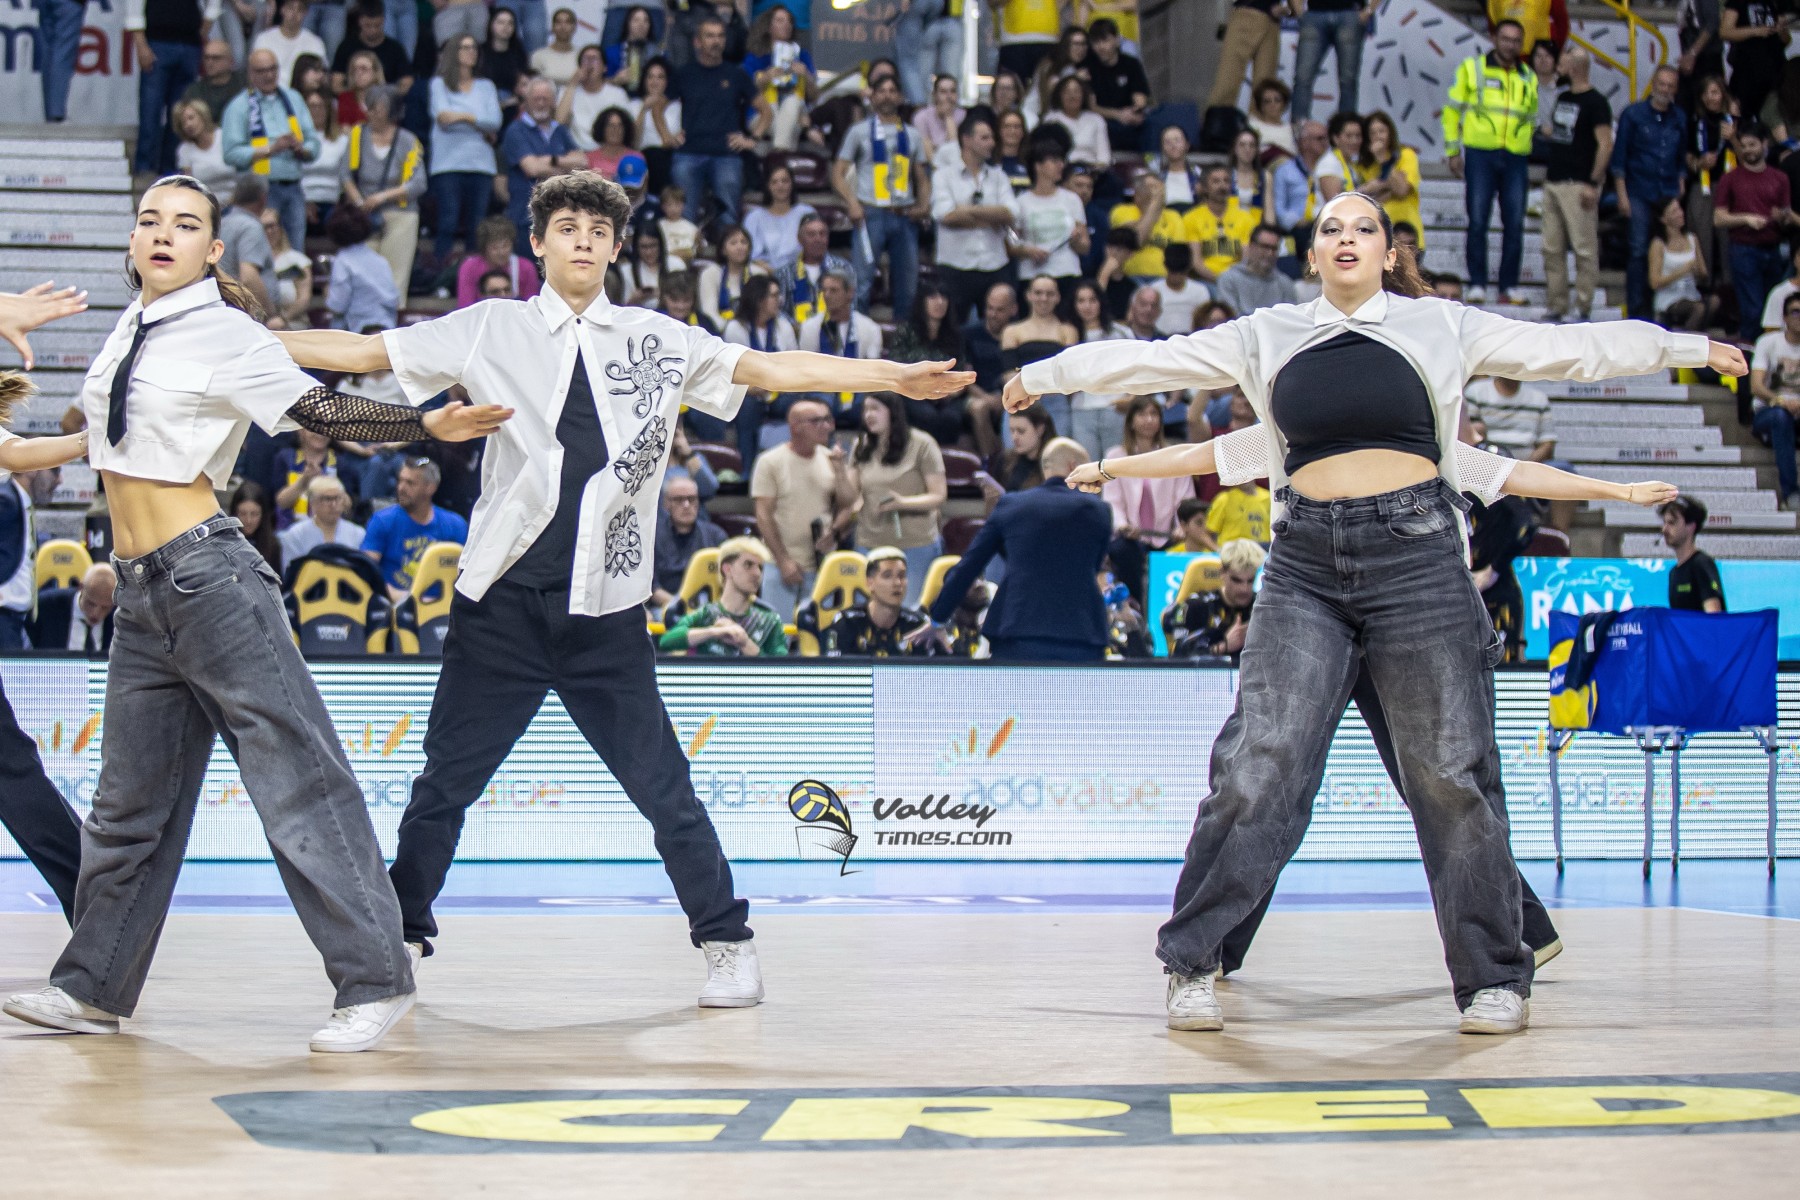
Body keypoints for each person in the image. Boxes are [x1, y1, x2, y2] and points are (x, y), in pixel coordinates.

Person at [1008, 189, 1739, 1035]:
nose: (1347, 237)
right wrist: (1043, 375)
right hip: (1304, 565)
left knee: (1449, 774)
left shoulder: (1442, 326)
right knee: (1258, 766)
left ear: (1390, 253)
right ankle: (1194, 962)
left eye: (1364, 228)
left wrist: (1687, 348)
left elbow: (1568, 350)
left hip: (1418, 562)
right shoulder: (1268, 333)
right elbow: (1152, 363)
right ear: (1313, 254)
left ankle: (1494, 978)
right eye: (1331, 229)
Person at [274, 172, 970, 988]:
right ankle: (403, 939)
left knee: (665, 790)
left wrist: (893, 376)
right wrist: (239, 339)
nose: (582, 240)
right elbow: (360, 353)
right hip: (498, 608)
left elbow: (773, 370)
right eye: (567, 226)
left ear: (614, 248)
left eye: (598, 231)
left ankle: (726, 941)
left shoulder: (659, 338)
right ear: (538, 243)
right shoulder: (489, 326)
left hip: (605, 611)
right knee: (443, 789)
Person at [0, 175, 515, 1052]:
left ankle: (376, 978)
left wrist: (426, 426)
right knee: (128, 807)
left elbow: (321, 409)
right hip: (141, 592)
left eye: (185, 224)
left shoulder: (226, 331)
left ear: (212, 250)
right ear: (132, 241)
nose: (163, 233)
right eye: (149, 220)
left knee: (300, 784)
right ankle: (91, 987)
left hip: (211, 580)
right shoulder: (128, 329)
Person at [928, 437, 1113, 660]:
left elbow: (970, 564)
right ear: (1073, 466)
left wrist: (938, 618)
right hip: (1081, 634)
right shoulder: (1100, 511)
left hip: (1017, 631)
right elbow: (1094, 566)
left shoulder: (1011, 505)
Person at [1444, 20, 1537, 305]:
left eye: (1516, 40)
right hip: (1480, 153)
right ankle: (1477, 283)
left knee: (1515, 223)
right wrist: (1452, 149)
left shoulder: (1527, 76)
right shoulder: (1473, 68)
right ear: (1494, 38)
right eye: (1505, 39)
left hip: (1516, 156)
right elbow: (1452, 110)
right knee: (1478, 220)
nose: (1510, 45)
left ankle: (1508, 286)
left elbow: (1531, 116)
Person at [835, 74, 929, 319]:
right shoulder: (859, 131)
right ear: (873, 96)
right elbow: (837, 173)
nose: (887, 96)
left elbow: (921, 176)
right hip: (870, 212)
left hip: (903, 214)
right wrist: (852, 203)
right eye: (882, 91)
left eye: (892, 91)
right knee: (861, 283)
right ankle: (856, 336)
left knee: (908, 286)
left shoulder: (912, 134)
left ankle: (903, 340)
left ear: (900, 97)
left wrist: (924, 205)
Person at [753, 398, 852, 618]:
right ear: (795, 426)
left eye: (828, 420)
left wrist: (835, 530)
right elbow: (763, 515)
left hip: (822, 567)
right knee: (779, 633)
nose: (826, 426)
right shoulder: (770, 461)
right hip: (780, 566)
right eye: (817, 421)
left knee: (820, 634)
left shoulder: (830, 459)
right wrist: (783, 561)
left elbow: (848, 504)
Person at [847, 393, 947, 607]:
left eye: (875, 409)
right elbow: (850, 495)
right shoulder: (861, 445)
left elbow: (938, 495)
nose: (868, 415)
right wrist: (839, 470)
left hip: (915, 544)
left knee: (911, 611)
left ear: (892, 412)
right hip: (869, 542)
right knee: (867, 611)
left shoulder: (922, 444)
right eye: (865, 410)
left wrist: (902, 503)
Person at [1537, 45, 1613, 322]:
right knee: (1551, 247)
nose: (1559, 65)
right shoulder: (1563, 96)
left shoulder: (1596, 102)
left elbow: (1605, 144)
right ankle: (1557, 304)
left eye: (1564, 61)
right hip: (1554, 180)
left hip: (1578, 183)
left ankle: (1582, 306)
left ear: (1575, 66)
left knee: (1583, 248)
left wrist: (1593, 182)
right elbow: (1561, 132)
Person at [671, 15, 768, 227]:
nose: (716, 41)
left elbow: (766, 111)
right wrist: (666, 136)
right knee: (683, 219)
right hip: (689, 152)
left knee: (728, 216)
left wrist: (753, 139)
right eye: (710, 36)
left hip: (726, 154)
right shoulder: (684, 74)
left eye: (720, 36)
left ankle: (728, 247)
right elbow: (658, 106)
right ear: (697, 41)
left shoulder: (736, 74)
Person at [221, 48, 320, 254]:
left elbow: (314, 143)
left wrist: (302, 149)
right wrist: (270, 149)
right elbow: (230, 154)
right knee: (261, 251)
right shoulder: (238, 106)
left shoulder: (294, 99)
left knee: (295, 251)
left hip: (293, 187)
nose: (268, 75)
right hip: (259, 190)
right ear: (250, 74)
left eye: (273, 69)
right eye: (262, 71)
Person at [1611, 65, 1689, 319]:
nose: (1665, 89)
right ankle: (1636, 310)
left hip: (1668, 190)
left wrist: (1681, 180)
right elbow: (1619, 158)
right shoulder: (1633, 114)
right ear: (1653, 83)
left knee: (1668, 248)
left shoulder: (1679, 117)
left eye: (1670, 85)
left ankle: (1664, 308)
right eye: (1661, 84)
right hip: (1638, 189)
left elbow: (1681, 156)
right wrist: (1622, 194)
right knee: (1638, 249)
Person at [933, 113, 1023, 325]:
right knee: (952, 329)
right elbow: (946, 215)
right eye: (985, 138)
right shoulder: (944, 176)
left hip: (995, 264)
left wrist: (968, 211)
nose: (992, 143)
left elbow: (1012, 213)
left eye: (991, 137)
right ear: (966, 140)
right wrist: (992, 217)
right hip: (955, 266)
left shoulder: (999, 176)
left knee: (1001, 328)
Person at [1102, 396, 1192, 602]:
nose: (1149, 419)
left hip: (1167, 536)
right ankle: (1132, 606)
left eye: (1153, 414)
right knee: (1123, 551)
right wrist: (1123, 526)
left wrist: (1181, 527)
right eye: (1142, 414)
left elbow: (1184, 498)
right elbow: (1112, 501)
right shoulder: (1115, 456)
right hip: (1131, 537)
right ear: (1131, 421)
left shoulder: (1173, 456)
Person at [340, 85, 426, 297]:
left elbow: (418, 183)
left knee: (396, 275)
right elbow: (344, 175)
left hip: (401, 214)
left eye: (377, 109)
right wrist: (360, 202)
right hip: (365, 215)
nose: (371, 113)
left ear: (392, 112)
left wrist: (383, 197)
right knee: (363, 274)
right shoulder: (357, 135)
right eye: (369, 108)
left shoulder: (408, 140)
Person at [1714, 122, 1797, 342]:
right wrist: (1746, 219)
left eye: (1752, 145)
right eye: (1743, 146)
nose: (1747, 150)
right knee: (1752, 309)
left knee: (1773, 309)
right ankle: (1750, 354)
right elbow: (1719, 218)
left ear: (1764, 144)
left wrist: (1782, 217)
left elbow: (1786, 214)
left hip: (1773, 248)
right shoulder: (1730, 178)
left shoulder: (1779, 178)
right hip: (1743, 249)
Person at [428, 33, 505, 263]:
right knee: (447, 223)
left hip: (481, 164)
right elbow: (443, 118)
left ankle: (474, 273)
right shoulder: (439, 84)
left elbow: (495, 122)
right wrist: (477, 122)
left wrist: (462, 117)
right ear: (454, 52)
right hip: (448, 163)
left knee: (477, 227)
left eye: (473, 47)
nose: (471, 52)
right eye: (465, 47)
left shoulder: (486, 86)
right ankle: (440, 273)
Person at [658, 535, 788, 656]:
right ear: (727, 569)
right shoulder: (705, 615)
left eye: (760, 567)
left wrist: (745, 643)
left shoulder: (769, 620)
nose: (757, 573)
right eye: (748, 565)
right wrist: (714, 632)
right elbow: (666, 641)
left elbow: (782, 668)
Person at [502, 77, 588, 256]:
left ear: (554, 102)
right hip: (527, 218)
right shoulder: (516, 130)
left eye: (545, 99)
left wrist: (552, 161)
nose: (541, 104)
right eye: (536, 99)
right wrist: (565, 166)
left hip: (560, 219)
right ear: (526, 102)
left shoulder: (560, 130)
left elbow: (582, 161)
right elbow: (532, 168)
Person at [362, 457, 470, 599]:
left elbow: (467, 573)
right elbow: (365, 572)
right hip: (393, 604)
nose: (401, 488)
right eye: (400, 480)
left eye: (410, 483)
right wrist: (399, 598)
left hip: (441, 606)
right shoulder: (382, 520)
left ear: (430, 488)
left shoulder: (455, 525)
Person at [129, 0, 210, 178]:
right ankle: (145, 168)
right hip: (157, 42)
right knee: (151, 109)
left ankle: (171, 167)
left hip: (190, 43)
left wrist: (207, 23)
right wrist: (140, 43)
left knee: (181, 112)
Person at [824, 546, 946, 656]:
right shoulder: (846, 622)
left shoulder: (919, 626)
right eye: (887, 576)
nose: (897, 583)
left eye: (902, 576)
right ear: (870, 583)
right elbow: (835, 669)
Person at [1065, 278, 1134, 457]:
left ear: (1101, 302)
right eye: (1081, 301)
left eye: (1092, 300)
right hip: (1082, 409)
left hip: (1114, 407)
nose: (1087, 306)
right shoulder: (1068, 334)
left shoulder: (1120, 332)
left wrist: (1130, 397)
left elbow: (1136, 367)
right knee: (1088, 465)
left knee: (1115, 464)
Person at [1003, 274, 1080, 433]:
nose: (1044, 298)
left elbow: (1069, 373)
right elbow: (1008, 373)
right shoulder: (1012, 331)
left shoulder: (1067, 331)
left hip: (1055, 399)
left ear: (1057, 297)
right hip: (1021, 397)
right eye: (1038, 293)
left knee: (1058, 446)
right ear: (1028, 295)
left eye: (1049, 294)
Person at [1014, 141, 1090, 302]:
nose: (1060, 165)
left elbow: (1084, 246)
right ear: (1038, 166)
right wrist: (1028, 251)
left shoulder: (1072, 200)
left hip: (1067, 273)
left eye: (1061, 161)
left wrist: (1076, 240)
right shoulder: (1021, 202)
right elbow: (1011, 242)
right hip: (1032, 275)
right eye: (1054, 161)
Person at [1164, 536, 1263, 658]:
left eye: (1250, 581)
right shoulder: (1194, 607)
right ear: (1222, 573)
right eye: (1237, 580)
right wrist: (1224, 646)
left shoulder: (1261, 608)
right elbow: (1177, 656)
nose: (1244, 589)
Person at [1749, 293, 1800, 510]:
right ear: (1785, 318)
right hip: (1768, 412)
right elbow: (1756, 386)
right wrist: (1780, 400)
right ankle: (1791, 494)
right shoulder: (1768, 342)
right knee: (1781, 417)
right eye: (1795, 312)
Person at [743, 5, 813, 152]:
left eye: (789, 21)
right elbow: (744, 92)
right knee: (787, 122)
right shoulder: (756, 56)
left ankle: (777, 154)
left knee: (793, 102)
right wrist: (765, 78)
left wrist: (806, 75)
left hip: (794, 110)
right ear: (769, 27)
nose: (786, 25)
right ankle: (781, 154)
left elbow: (814, 96)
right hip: (762, 113)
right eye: (780, 20)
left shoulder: (802, 55)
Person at [651, 472, 727, 609]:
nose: (686, 505)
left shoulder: (716, 536)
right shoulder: (652, 538)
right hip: (665, 608)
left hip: (709, 608)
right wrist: (682, 607)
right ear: (666, 503)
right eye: (678, 499)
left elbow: (728, 581)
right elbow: (652, 587)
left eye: (691, 499)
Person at [324, 204, 400, 332]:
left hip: (359, 332)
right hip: (386, 329)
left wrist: (327, 292)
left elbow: (337, 306)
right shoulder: (381, 261)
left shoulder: (343, 261)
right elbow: (395, 300)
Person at [1292, 0, 1370, 122]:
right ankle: (1299, 127)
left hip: (1348, 13)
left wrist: (1369, 11)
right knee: (1303, 78)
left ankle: (1346, 128)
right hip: (1314, 14)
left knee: (1348, 80)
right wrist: (1299, 11)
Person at [1651, 195, 1719, 330]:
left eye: (1679, 209)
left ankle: (1695, 332)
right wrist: (1682, 271)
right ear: (1663, 219)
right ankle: (1687, 336)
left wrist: (1698, 271)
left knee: (1714, 302)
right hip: (1670, 297)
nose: (1680, 214)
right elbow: (1655, 282)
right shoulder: (1659, 244)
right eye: (1674, 211)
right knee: (1698, 309)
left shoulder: (1692, 238)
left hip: (1691, 294)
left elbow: (1703, 274)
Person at [1359, 110, 1424, 251]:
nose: (1378, 137)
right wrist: (1389, 186)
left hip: (1407, 235)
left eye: (1382, 131)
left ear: (1390, 133)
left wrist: (1383, 159)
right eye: (1373, 133)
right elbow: (1367, 199)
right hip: (1376, 237)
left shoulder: (1406, 155)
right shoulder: (1365, 165)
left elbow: (1401, 190)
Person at [1184, 164, 1261, 283]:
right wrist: (1220, 280)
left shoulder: (1245, 218)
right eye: (1216, 181)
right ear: (1205, 188)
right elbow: (1196, 262)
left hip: (1237, 281)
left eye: (1226, 181)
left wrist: (1232, 282)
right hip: (1205, 281)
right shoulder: (1191, 218)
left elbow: (1246, 259)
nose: (1222, 186)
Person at [775, 214, 854, 325]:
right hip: (796, 332)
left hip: (835, 331)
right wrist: (797, 328)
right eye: (811, 234)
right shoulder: (783, 273)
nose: (818, 239)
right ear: (800, 239)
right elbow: (778, 311)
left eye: (822, 234)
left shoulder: (843, 268)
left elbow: (852, 306)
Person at [1721, 0, 1789, 123]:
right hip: (1748, 72)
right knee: (1743, 116)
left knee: (1775, 116)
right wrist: (1755, 31)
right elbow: (1725, 32)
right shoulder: (1738, 3)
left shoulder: (1774, 3)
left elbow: (1786, 40)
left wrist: (1782, 29)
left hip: (1774, 71)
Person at [743, 161, 815, 276]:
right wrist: (773, 272)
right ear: (768, 186)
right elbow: (749, 253)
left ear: (792, 184)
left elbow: (814, 248)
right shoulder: (754, 217)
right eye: (774, 182)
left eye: (785, 181)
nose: (780, 186)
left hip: (799, 272)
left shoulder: (806, 213)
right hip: (764, 273)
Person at [558, 44, 633, 153]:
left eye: (594, 59)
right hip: (576, 152)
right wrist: (573, 84)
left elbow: (627, 129)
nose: (590, 63)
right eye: (586, 59)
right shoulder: (567, 91)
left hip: (607, 152)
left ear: (604, 68)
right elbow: (559, 122)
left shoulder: (618, 94)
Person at [278, 474, 366, 565]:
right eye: (327, 499)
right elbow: (291, 569)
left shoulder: (358, 534)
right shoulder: (296, 534)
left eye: (337, 498)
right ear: (312, 502)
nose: (333, 504)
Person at [458, 216, 543, 308]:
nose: (501, 252)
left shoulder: (526, 268)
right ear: (484, 248)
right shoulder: (469, 268)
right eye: (494, 247)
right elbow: (465, 306)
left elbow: (531, 306)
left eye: (505, 246)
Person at [331, 3, 413, 97]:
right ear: (360, 21)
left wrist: (388, 95)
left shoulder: (395, 48)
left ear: (383, 21)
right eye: (368, 25)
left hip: (386, 99)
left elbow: (407, 81)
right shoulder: (346, 47)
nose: (373, 30)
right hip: (352, 100)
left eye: (377, 25)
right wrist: (357, 96)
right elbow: (336, 84)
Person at [1660, 497, 1726, 610]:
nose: (1664, 529)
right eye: (1664, 523)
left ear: (1691, 526)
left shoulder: (1701, 564)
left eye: (1671, 523)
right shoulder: (1673, 573)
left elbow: (1714, 614)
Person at [897, 0, 964, 109]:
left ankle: (941, 109)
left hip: (946, 17)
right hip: (937, 18)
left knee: (934, 73)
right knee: (928, 72)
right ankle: (926, 110)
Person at [1216, 224, 1296, 315]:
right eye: (1265, 247)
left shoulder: (1285, 284)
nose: (1270, 253)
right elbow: (1230, 318)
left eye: (1274, 249)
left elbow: (1290, 318)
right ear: (1251, 246)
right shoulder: (1228, 279)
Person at [255, 0, 329, 94]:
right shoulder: (264, 39)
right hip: (270, 93)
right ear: (282, 9)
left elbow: (323, 77)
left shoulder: (315, 43)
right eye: (290, 8)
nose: (294, 14)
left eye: (299, 10)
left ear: (305, 13)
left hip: (303, 95)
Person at [260, 206, 315, 329]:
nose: (269, 231)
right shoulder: (252, 263)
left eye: (272, 226)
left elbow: (304, 298)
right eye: (264, 227)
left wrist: (283, 318)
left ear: (280, 228)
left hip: (292, 325)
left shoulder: (297, 261)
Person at [173, 99, 237, 199]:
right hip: (205, 203)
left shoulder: (225, 137)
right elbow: (189, 187)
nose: (188, 125)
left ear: (203, 116)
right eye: (183, 123)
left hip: (237, 200)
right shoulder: (184, 150)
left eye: (191, 118)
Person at [478, 6, 532, 116]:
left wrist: (510, 101)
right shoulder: (480, 52)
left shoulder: (519, 53)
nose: (505, 27)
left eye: (510, 23)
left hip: (512, 103)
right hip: (483, 102)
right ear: (491, 25)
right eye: (500, 22)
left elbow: (523, 83)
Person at [180, 40, 247, 125]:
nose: (210, 62)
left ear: (231, 61)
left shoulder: (244, 85)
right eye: (206, 58)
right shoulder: (194, 91)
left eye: (216, 58)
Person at [1151, 244, 1208, 337]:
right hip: (1160, 339)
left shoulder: (1200, 291)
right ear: (1165, 265)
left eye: (1181, 272)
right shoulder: (1153, 290)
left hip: (1191, 338)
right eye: (1173, 271)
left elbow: (1204, 321)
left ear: (1188, 268)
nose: (1176, 276)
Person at [1313, 111, 1363, 205]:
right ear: (1335, 138)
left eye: (1358, 136)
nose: (1354, 141)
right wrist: (1368, 188)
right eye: (1349, 136)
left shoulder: (1351, 164)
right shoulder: (1329, 163)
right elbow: (1335, 202)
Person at [603, 7, 658, 92]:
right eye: (636, 20)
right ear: (628, 24)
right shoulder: (611, 53)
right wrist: (614, 80)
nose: (641, 25)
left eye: (646, 21)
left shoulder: (658, 54)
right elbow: (598, 83)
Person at [533, 6, 581, 86]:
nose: (563, 27)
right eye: (558, 22)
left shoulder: (581, 56)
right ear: (552, 27)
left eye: (568, 22)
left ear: (574, 27)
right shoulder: (539, 56)